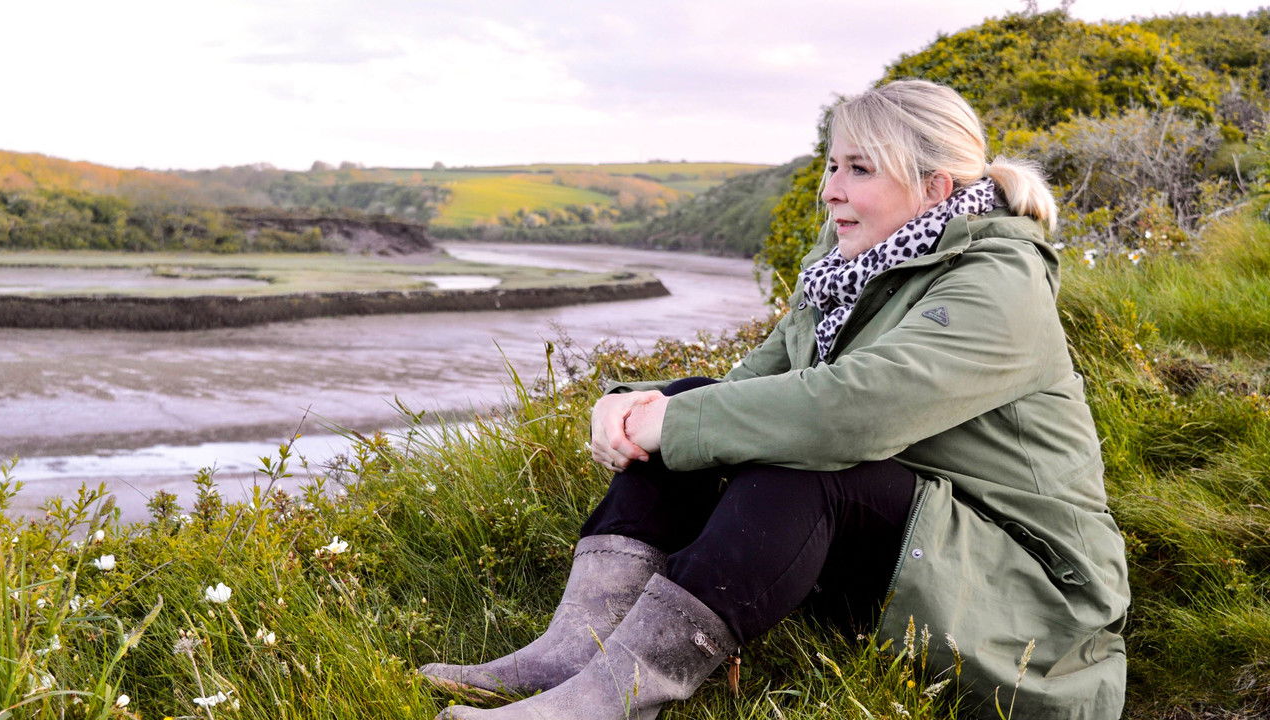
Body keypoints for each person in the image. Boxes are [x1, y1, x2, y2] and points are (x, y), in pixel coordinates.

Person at [421, 79, 1130, 720]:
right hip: (919, 550)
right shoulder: (849, 265)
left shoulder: (999, 280)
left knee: (799, 464)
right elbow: (749, 391)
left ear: (934, 188)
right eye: (832, 165)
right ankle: (574, 652)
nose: (831, 191)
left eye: (859, 170)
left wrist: (677, 419)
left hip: (1029, 602)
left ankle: (611, 699)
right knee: (698, 408)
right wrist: (636, 404)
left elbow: (858, 412)